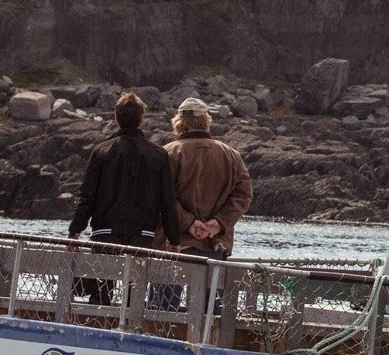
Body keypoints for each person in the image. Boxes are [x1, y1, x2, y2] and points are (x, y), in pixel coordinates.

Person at [67, 93, 179, 306]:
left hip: (105, 233)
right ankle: (131, 328)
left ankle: (98, 326)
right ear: (141, 119)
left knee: (101, 294)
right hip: (143, 236)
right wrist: (174, 240)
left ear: (116, 117)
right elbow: (168, 203)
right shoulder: (159, 156)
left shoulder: (101, 152)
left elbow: (87, 197)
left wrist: (75, 231)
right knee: (133, 295)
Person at [162, 98, 254, 263]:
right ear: (206, 120)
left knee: (165, 288)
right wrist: (219, 223)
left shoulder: (168, 154)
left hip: (174, 244)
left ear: (178, 122)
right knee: (211, 288)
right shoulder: (231, 155)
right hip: (215, 243)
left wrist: (189, 223)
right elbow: (244, 195)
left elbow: (162, 196)